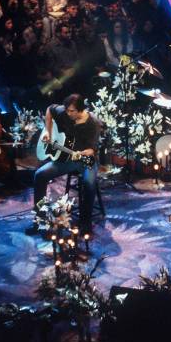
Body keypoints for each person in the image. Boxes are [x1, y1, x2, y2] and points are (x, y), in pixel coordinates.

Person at [28, 93, 102, 235]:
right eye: (67, 110)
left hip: (86, 159)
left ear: (81, 110)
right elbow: (50, 110)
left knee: (89, 183)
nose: (68, 114)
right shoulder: (64, 112)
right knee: (39, 175)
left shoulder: (93, 123)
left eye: (72, 111)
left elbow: (91, 150)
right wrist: (48, 132)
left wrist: (80, 154)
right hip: (68, 157)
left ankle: (85, 223)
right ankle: (40, 220)